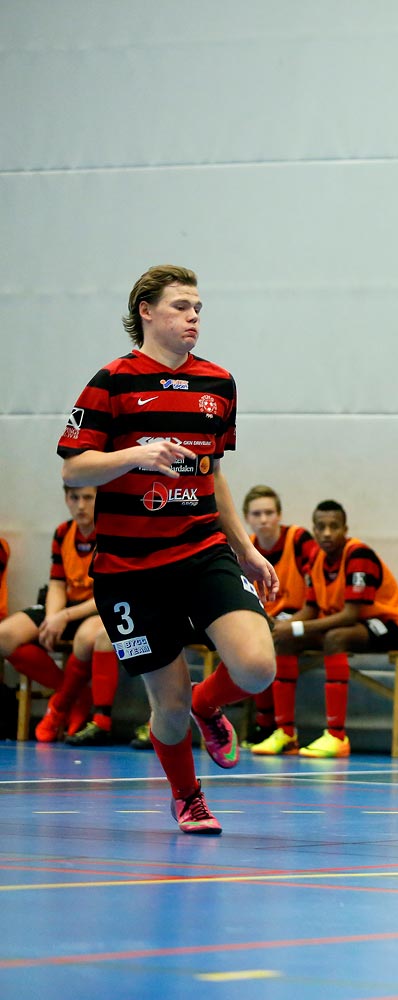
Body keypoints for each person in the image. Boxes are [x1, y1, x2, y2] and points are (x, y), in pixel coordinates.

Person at [57, 264, 277, 835]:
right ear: (146, 312)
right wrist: (135, 455)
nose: (194, 317)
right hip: (130, 570)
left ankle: (212, 703)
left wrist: (246, 549)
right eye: (182, 306)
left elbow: (215, 475)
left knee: (256, 667)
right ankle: (188, 796)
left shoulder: (219, 384)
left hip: (201, 550)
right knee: (169, 706)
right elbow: (76, 465)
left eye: (199, 307)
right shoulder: (110, 382)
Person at [270, 499, 398, 757]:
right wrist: (281, 626)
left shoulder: (358, 555)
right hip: (347, 625)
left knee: (335, 638)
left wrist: (297, 628)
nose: (327, 533)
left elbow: (350, 615)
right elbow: (310, 609)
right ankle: (286, 733)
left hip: (390, 626)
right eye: (321, 527)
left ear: (345, 529)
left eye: (334, 527)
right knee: (284, 641)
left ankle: (337, 736)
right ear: (314, 530)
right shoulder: (315, 558)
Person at [0, 486, 110, 742]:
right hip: (67, 608)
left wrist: (65, 616)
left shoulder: (111, 534)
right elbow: (57, 584)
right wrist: (52, 617)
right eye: (74, 498)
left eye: (87, 498)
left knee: (87, 636)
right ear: (66, 499)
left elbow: (108, 593)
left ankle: (65, 704)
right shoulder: (63, 533)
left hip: (97, 608)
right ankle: (73, 694)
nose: (80, 505)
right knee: (5, 635)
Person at [241, 485, 321, 753]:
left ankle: (282, 729)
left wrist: (289, 623)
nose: (263, 519)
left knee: (275, 639)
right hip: (268, 619)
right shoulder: (247, 548)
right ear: (246, 518)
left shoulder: (299, 540)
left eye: (269, 512)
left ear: (279, 515)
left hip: (305, 616)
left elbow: (318, 592)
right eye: (257, 513)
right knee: (249, 643)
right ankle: (264, 724)